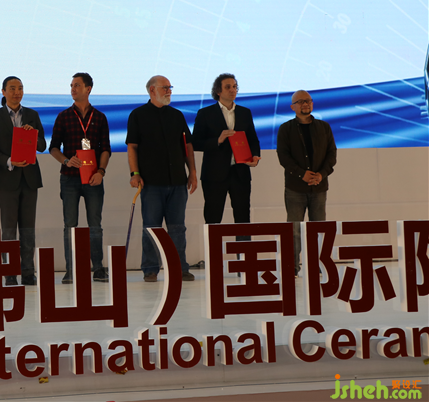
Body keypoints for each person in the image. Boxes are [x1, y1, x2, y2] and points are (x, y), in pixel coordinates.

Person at [126, 75, 198, 282]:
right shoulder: (138, 115)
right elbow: (132, 146)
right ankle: (150, 268)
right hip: (151, 183)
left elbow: (187, 145)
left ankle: (179, 267)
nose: (169, 91)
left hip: (177, 181)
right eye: (165, 88)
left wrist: (193, 172)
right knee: (151, 228)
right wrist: (135, 173)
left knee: (177, 228)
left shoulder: (177, 115)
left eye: (170, 88)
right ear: (152, 90)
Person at [49, 73, 111, 285]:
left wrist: (101, 172)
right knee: (70, 225)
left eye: (77, 85)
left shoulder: (100, 117)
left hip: (93, 178)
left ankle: (98, 268)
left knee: (95, 224)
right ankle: (71, 270)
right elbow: (53, 148)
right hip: (70, 179)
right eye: (71, 86)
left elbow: (106, 149)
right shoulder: (64, 116)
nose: (73, 89)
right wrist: (66, 161)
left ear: (88, 89)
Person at [0, 76, 46, 286]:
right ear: (3, 92)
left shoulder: (32, 115)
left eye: (20, 88)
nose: (17, 92)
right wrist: (9, 160)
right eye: (12, 88)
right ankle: (9, 272)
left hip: (30, 178)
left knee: (28, 228)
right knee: (9, 229)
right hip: (7, 178)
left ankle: (28, 272)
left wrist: (33, 135)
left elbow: (42, 145)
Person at [192, 74, 261, 240]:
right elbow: (196, 143)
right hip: (214, 174)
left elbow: (253, 139)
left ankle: (243, 254)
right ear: (218, 91)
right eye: (228, 87)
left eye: (235, 86)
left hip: (240, 172)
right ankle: (213, 254)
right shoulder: (205, 113)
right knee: (213, 217)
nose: (233, 90)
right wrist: (218, 140)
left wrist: (255, 156)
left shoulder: (245, 112)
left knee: (243, 217)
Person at [277, 90, 337, 276]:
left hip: (319, 187)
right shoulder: (286, 129)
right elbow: (283, 157)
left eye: (308, 101)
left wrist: (321, 175)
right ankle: (293, 268)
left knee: (319, 229)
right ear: (292, 107)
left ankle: (318, 266)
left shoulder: (324, 127)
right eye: (301, 101)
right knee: (294, 230)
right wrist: (301, 174)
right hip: (295, 188)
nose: (305, 104)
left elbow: (331, 154)